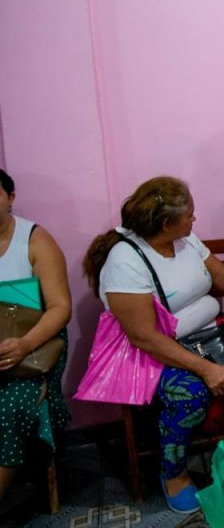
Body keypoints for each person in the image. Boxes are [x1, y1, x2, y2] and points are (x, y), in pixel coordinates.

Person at [83, 176, 224, 515]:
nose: (194, 219)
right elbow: (144, 337)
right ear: (166, 223)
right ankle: (174, 473)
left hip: (211, 335)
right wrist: (206, 369)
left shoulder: (185, 241)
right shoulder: (124, 261)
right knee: (190, 393)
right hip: (159, 350)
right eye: (189, 215)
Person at [0, 168, 72, 501]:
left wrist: (24, 344)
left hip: (32, 351)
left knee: (8, 408)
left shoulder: (34, 240)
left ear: (11, 198)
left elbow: (60, 307)